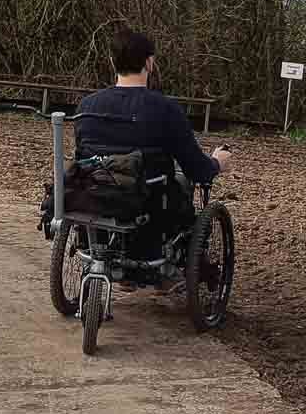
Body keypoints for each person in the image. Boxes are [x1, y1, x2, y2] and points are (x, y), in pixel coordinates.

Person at [73, 28, 229, 253]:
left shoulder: (86, 107)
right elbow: (196, 168)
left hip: (96, 200)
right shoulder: (165, 109)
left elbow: (82, 158)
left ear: (111, 61)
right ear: (149, 63)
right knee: (183, 182)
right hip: (150, 209)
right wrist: (216, 162)